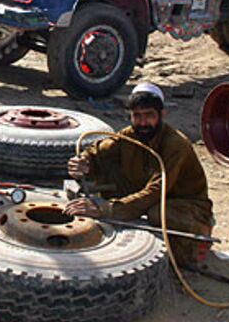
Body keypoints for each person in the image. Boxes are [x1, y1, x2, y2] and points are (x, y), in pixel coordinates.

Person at [65, 82, 213, 266]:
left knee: (157, 213)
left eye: (149, 116)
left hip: (185, 204)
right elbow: (98, 151)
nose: (143, 123)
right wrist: (84, 162)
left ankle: (196, 237)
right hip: (143, 188)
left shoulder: (176, 145)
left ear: (162, 114)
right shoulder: (129, 135)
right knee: (106, 169)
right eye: (137, 116)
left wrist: (105, 209)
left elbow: (155, 191)